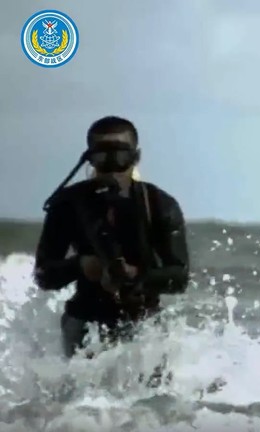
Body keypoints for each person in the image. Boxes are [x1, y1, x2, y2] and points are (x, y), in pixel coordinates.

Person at [33, 116, 190, 360]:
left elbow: (179, 277)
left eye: (121, 156)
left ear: (136, 157)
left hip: (144, 322)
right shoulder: (68, 204)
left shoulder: (159, 204)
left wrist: (135, 276)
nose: (113, 166)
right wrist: (82, 266)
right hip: (85, 321)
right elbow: (44, 275)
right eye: (103, 157)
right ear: (90, 158)